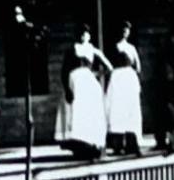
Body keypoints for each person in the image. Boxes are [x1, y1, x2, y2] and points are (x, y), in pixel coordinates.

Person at [55, 24, 111, 158]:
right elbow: (64, 71)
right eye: (80, 33)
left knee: (90, 114)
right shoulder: (71, 50)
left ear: (89, 36)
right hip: (75, 83)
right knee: (77, 114)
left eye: (85, 33)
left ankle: (92, 145)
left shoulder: (93, 50)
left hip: (89, 85)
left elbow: (109, 67)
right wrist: (67, 89)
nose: (83, 35)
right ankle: (79, 146)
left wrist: (96, 74)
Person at [104, 21, 143, 156]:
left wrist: (132, 74)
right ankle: (117, 145)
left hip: (129, 79)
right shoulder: (113, 47)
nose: (124, 32)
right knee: (118, 111)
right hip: (118, 79)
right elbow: (108, 66)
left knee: (131, 111)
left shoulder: (132, 48)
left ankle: (132, 144)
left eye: (127, 30)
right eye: (122, 29)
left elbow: (138, 66)